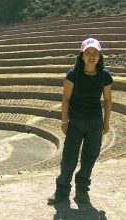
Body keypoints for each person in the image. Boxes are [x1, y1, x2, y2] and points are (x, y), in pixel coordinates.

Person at [48, 38, 113, 205]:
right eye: (88, 53)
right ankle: (61, 191)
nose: (91, 56)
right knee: (69, 158)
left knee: (89, 158)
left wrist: (106, 123)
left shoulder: (104, 75)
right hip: (75, 122)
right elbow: (66, 98)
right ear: (82, 55)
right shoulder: (73, 74)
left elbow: (107, 100)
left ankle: (82, 191)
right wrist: (64, 121)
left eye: (95, 53)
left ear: (99, 56)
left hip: (95, 123)